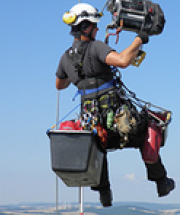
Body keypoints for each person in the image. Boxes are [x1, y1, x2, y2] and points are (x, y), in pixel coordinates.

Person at [55, 3, 175, 207]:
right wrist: (141, 37)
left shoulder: (66, 57)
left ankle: (104, 194)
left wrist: (77, 76)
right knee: (149, 126)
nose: (97, 29)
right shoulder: (96, 47)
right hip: (116, 116)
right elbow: (122, 60)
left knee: (98, 145)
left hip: (90, 120)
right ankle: (161, 182)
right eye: (94, 25)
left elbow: (60, 85)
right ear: (86, 27)